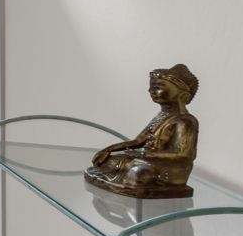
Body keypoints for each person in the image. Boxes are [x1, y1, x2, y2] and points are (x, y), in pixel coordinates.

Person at [85, 64, 199, 199]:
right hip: (147, 161)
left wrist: (144, 154)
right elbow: (139, 141)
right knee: (107, 161)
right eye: (151, 87)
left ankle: (128, 183)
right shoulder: (162, 116)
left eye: (158, 88)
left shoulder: (186, 121)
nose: (150, 91)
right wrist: (109, 149)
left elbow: (182, 154)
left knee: (138, 174)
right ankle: (122, 180)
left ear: (182, 96)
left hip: (170, 170)